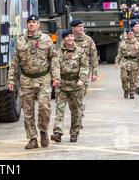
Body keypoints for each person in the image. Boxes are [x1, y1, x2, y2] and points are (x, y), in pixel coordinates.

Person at [7, 14, 60, 149]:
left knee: (44, 107)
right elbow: (14, 62)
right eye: (29, 22)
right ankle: (32, 139)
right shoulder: (20, 41)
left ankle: (43, 131)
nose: (32, 24)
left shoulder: (46, 40)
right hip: (26, 80)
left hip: (43, 79)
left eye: (34, 22)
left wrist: (56, 77)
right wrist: (11, 79)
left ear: (38, 25)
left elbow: (54, 59)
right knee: (28, 111)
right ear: (27, 25)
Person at [51, 29, 88, 143]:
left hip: (76, 85)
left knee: (76, 110)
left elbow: (85, 66)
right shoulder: (58, 52)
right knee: (59, 110)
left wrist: (82, 79)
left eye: (71, 36)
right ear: (64, 39)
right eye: (67, 37)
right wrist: (56, 79)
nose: (70, 38)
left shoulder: (80, 51)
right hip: (62, 85)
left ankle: (74, 132)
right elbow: (55, 66)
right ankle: (57, 132)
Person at [70, 19, 98, 130]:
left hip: (84, 73)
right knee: (72, 100)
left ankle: (79, 119)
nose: (81, 28)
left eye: (82, 26)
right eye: (79, 26)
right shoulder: (68, 39)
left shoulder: (88, 40)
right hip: (69, 74)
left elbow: (94, 57)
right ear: (73, 28)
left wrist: (94, 73)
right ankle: (76, 116)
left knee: (80, 97)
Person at [115, 28, 139, 99]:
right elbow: (119, 54)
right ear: (127, 34)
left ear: (133, 34)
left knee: (133, 79)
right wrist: (117, 62)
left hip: (134, 63)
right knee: (123, 78)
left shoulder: (138, 44)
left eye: (131, 34)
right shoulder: (123, 43)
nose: (130, 35)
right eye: (128, 34)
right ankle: (126, 90)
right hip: (125, 62)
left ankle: (131, 92)